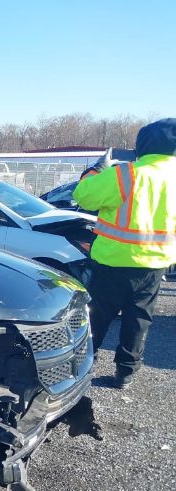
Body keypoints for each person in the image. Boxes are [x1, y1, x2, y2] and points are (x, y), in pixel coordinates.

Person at [73, 118, 176, 388]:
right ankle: (125, 374)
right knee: (138, 320)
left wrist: (96, 169)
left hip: (113, 262)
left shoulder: (127, 174)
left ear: (143, 145)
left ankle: (83, 368)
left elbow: (83, 196)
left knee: (96, 317)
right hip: (155, 266)